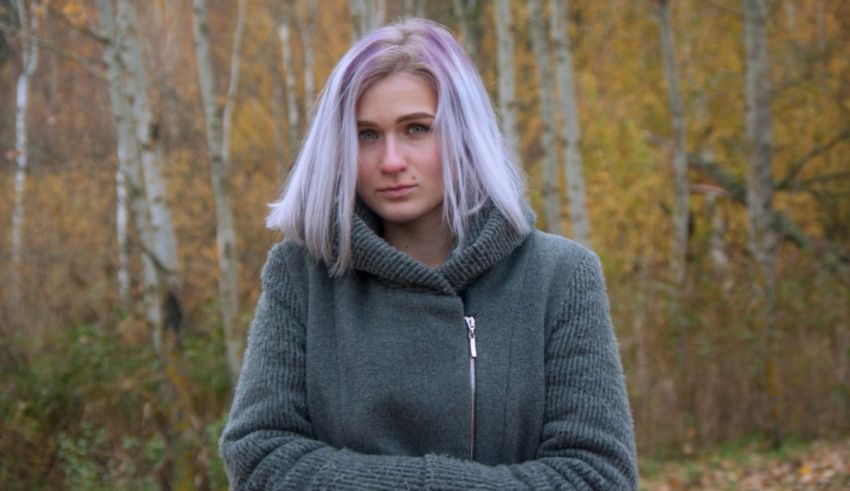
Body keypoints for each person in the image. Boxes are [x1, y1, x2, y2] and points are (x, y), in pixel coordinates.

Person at [220, 17, 637, 490]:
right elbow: (260, 458)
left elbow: (597, 476)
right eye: (367, 135)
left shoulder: (559, 276)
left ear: (464, 134)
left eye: (417, 129)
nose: (391, 161)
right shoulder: (302, 275)